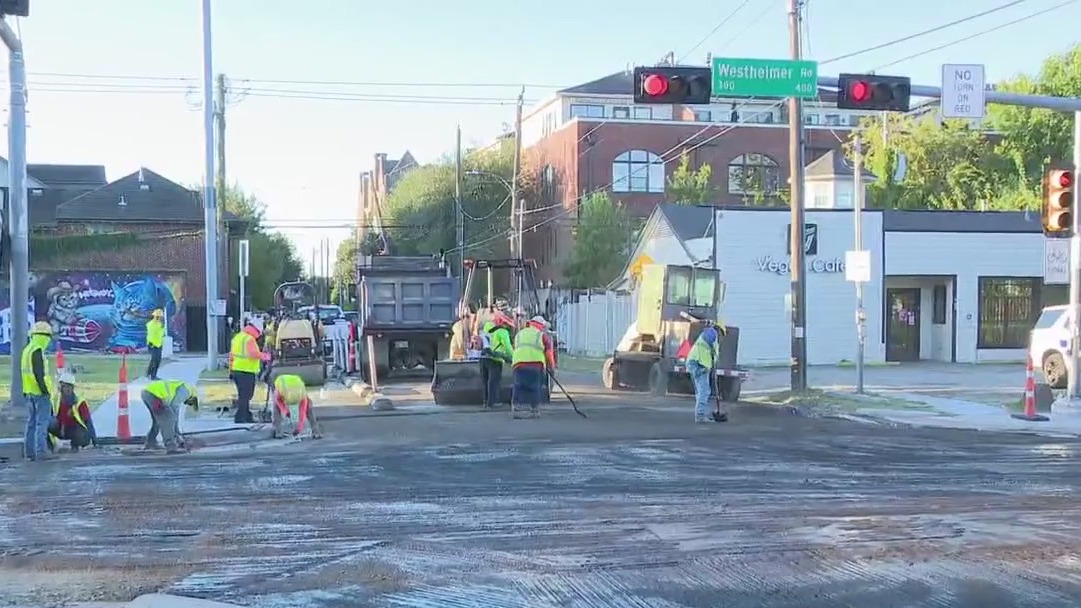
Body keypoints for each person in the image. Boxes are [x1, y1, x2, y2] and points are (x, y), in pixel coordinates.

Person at [21, 322, 56, 461]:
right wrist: (45, 391)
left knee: (31, 423)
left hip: (29, 392)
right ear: (44, 337)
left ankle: (29, 452)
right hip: (40, 393)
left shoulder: (27, 350)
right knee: (42, 423)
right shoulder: (37, 351)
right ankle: (41, 452)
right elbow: (39, 374)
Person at [510, 315, 555, 419]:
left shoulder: (519, 334)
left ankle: (516, 408)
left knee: (518, 386)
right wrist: (551, 366)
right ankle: (534, 410)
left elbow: (516, 348)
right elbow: (549, 352)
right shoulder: (541, 335)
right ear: (541, 326)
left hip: (518, 364)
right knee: (535, 387)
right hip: (535, 364)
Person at [140, 378, 199, 453]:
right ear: (193, 398)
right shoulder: (187, 391)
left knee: (158, 421)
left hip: (147, 393)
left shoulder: (183, 387)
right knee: (168, 419)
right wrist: (178, 437)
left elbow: (175, 409)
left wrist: (177, 433)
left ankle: (151, 443)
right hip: (155, 396)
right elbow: (173, 408)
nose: (186, 403)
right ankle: (171, 447)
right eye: (190, 403)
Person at [47, 372, 99, 452]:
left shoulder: (79, 402)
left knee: (80, 434)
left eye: (67, 386)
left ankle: (75, 446)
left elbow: (88, 421)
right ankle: (49, 448)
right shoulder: (56, 400)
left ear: (72, 388)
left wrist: (95, 441)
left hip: (75, 430)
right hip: (61, 429)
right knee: (44, 424)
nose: (65, 389)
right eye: (63, 386)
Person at [229, 324, 270, 423]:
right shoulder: (249, 339)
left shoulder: (237, 337)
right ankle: (240, 417)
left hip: (237, 369)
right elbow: (253, 354)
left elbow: (231, 355)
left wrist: (230, 369)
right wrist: (266, 356)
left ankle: (246, 416)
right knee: (246, 395)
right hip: (246, 370)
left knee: (243, 395)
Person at [686, 326, 726, 424]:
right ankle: (700, 416)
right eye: (721, 335)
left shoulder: (712, 340)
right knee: (704, 392)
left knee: (702, 392)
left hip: (698, 363)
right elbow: (708, 336)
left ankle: (701, 414)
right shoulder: (712, 333)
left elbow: (711, 356)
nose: (721, 338)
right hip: (699, 364)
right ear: (719, 331)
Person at [271, 373, 323, 439]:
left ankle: (316, 431)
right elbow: (277, 400)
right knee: (276, 406)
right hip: (281, 381)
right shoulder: (281, 390)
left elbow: (302, 412)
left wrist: (299, 428)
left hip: (297, 384)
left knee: (308, 406)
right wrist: (285, 410)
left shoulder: (302, 396)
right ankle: (278, 431)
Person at [479, 311, 513, 409]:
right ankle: (493, 402)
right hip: (495, 359)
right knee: (493, 382)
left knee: (485, 381)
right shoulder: (502, 332)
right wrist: (514, 357)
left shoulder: (486, 327)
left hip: (484, 357)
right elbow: (508, 348)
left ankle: (485, 402)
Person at [145, 308, 166, 380]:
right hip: (152, 345)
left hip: (159, 345)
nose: (158, 318)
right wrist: (150, 343)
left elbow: (161, 335)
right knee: (154, 360)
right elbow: (151, 335)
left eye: (159, 317)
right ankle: (151, 375)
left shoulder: (161, 325)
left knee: (157, 361)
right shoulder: (151, 324)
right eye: (157, 316)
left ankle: (150, 373)